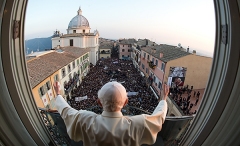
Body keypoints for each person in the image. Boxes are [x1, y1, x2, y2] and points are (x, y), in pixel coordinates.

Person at [53, 81, 169, 146]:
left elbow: (66, 111)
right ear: (125, 103)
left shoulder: (84, 119)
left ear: (99, 102)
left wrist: (58, 95)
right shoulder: (139, 123)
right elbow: (159, 117)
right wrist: (163, 99)